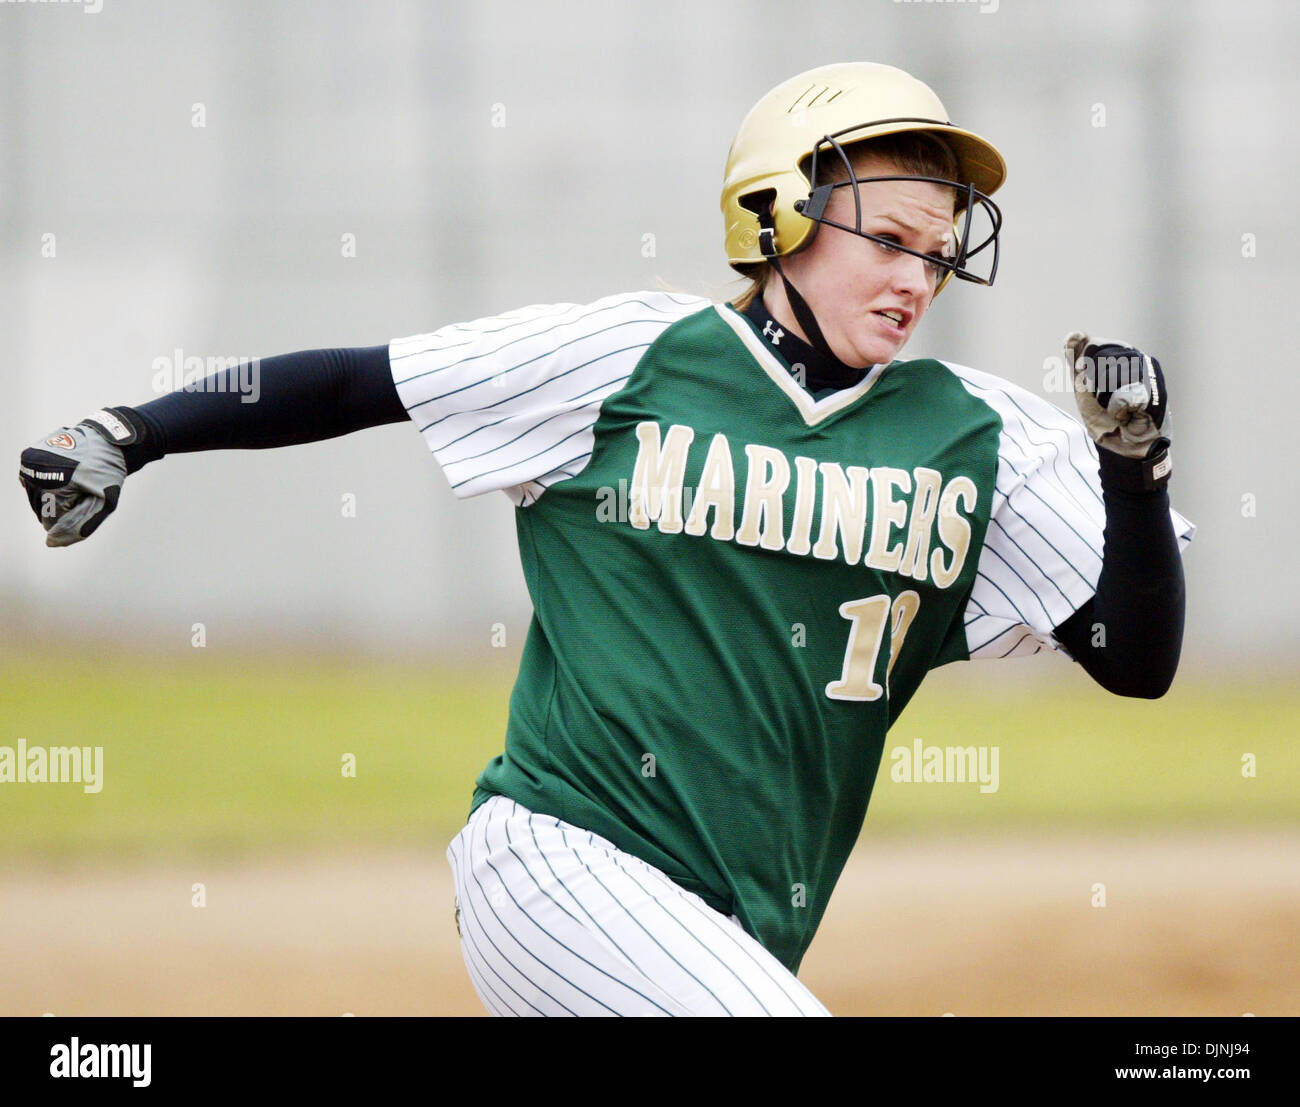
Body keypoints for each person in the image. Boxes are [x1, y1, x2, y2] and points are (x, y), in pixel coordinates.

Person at [18, 61, 1193, 1016]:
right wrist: (136, 429)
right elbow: (368, 381)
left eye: (936, 253)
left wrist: (1131, 477)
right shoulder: (636, 357)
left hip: (735, 931)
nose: (915, 278)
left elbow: (1131, 660)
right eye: (885, 239)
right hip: (559, 865)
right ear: (776, 212)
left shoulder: (981, 434)